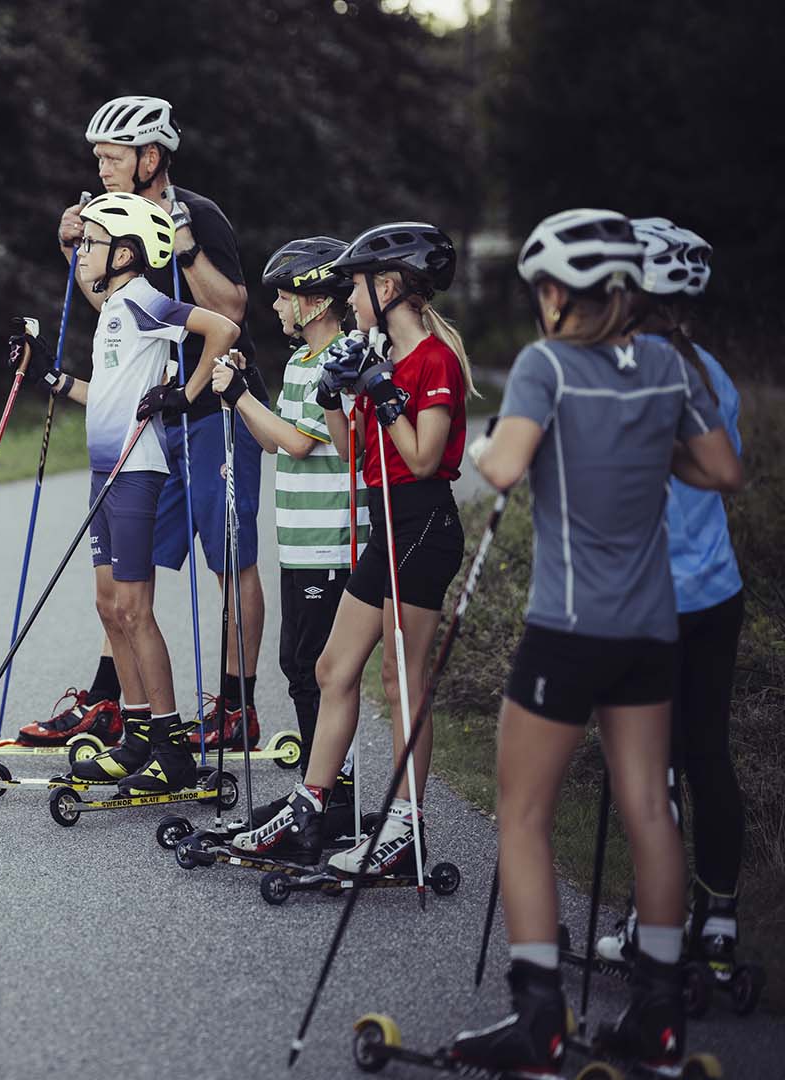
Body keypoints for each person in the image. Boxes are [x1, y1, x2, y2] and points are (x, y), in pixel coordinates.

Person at [450, 209, 741, 1075]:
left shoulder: (547, 366)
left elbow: (502, 468)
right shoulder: (665, 363)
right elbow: (723, 471)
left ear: (554, 291)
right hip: (652, 630)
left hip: (569, 629)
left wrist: (487, 443)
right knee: (652, 807)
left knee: (525, 815)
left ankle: (537, 1020)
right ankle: (657, 1018)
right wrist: (654, 459)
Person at [230, 222, 472, 874]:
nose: (350, 297)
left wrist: (384, 392)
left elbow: (421, 458)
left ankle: (404, 826)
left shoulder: (432, 362)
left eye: (358, 286)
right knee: (333, 670)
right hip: (386, 524)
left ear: (388, 287)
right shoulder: (377, 353)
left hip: (423, 527)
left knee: (401, 682)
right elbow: (353, 455)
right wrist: (339, 393)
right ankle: (312, 805)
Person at [53, 95, 268, 753]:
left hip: (214, 411)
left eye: (113, 155)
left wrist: (188, 246)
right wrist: (74, 250)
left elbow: (232, 307)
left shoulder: (196, 213)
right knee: (129, 565)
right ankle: (114, 700)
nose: (102, 165)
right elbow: (111, 307)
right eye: (98, 155)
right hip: (153, 417)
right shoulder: (112, 217)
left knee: (229, 556)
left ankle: (236, 707)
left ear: (151, 157)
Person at [30, 193, 240, 794]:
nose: (83, 253)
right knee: (108, 606)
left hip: (136, 471)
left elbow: (222, 328)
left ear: (125, 252)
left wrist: (187, 393)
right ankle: (138, 736)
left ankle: (170, 748)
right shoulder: (117, 308)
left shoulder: (145, 299)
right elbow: (110, 395)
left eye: (92, 244)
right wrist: (52, 375)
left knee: (134, 609)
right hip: (105, 469)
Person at [597, 219, 749, 987]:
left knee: (649, 769)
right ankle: (717, 921)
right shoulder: (712, 371)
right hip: (715, 593)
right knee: (707, 756)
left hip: (646, 601)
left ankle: (651, 926)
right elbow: (727, 471)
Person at [209, 236, 370, 799]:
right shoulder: (302, 361)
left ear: (316, 302)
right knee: (299, 666)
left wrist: (239, 397)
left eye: (282, 297)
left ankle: (327, 792)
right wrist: (246, 389)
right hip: (301, 544)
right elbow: (273, 442)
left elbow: (300, 443)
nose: (273, 307)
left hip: (332, 541)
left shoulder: (339, 358)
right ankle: (320, 787)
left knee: (311, 669)